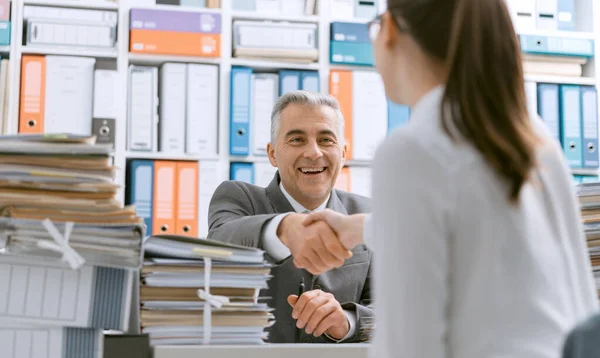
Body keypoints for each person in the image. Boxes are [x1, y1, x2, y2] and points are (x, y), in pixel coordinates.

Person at [299, 0, 599, 357]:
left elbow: (409, 346)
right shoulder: (533, 137)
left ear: (390, 30)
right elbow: (471, 228)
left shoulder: (413, 148)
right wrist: (355, 228)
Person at [207, 91, 373, 344]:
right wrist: (282, 228)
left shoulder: (366, 214)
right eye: (297, 139)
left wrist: (347, 321)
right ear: (272, 154)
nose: (314, 152)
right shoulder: (238, 197)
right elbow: (218, 243)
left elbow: (394, 311)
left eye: (326, 139)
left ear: (343, 152)